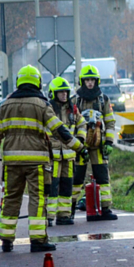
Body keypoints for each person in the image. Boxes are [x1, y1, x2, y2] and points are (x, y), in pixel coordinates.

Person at [0, 66, 84, 252]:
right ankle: (38, 240)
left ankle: (6, 239)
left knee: (11, 198)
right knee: (37, 199)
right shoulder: (41, 104)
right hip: (36, 162)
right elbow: (59, 129)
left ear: (18, 82)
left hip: (12, 162)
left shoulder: (6, 105)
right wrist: (79, 148)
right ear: (38, 82)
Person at [70, 64, 117, 220]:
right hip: (80, 146)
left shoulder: (103, 99)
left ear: (97, 82)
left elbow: (110, 122)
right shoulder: (75, 100)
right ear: (82, 82)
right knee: (77, 179)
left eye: (92, 80)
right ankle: (68, 211)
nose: (90, 83)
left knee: (102, 177)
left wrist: (109, 142)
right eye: (87, 80)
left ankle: (105, 210)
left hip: (98, 145)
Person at [47, 77, 86, 226]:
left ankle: (64, 215)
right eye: (60, 92)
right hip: (54, 155)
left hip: (69, 155)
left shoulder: (73, 109)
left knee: (66, 185)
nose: (64, 94)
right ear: (53, 93)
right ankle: (49, 217)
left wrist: (80, 140)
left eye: (66, 91)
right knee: (52, 186)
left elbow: (82, 124)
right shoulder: (48, 109)